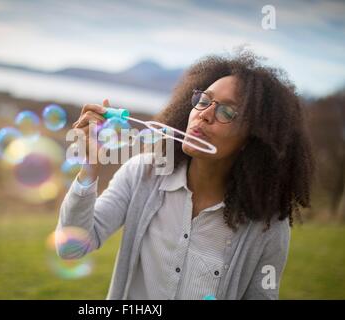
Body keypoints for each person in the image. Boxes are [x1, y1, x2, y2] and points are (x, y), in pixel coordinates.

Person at [55, 51, 315, 300]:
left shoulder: (267, 224)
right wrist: (91, 167)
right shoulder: (142, 174)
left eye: (226, 111)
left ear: (254, 138)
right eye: (204, 100)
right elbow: (71, 248)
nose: (204, 114)